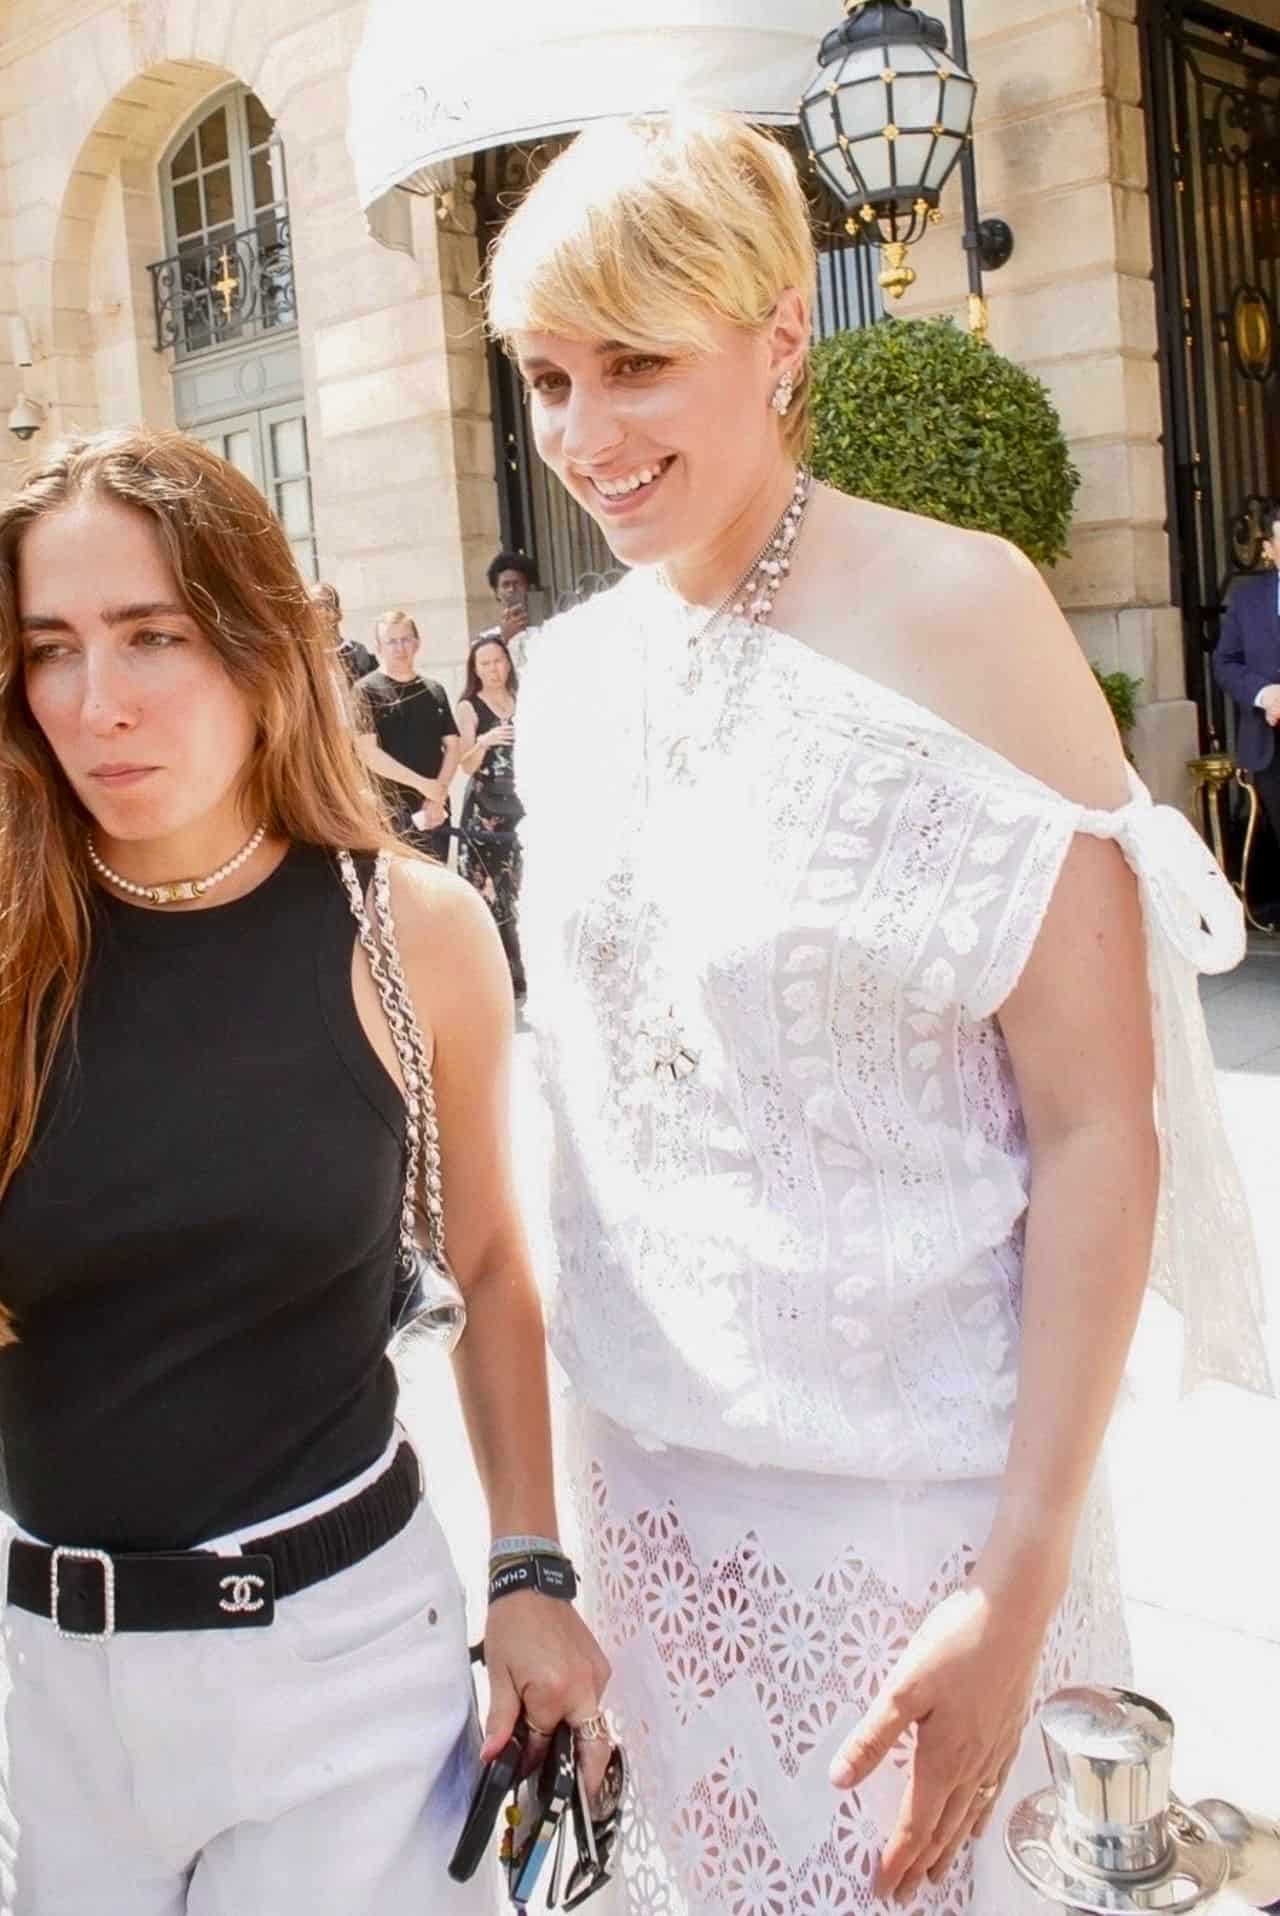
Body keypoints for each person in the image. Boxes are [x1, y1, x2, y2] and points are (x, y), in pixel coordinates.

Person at [486, 113, 1269, 1915]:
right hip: (657, 1517)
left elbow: (1096, 1120)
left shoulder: (961, 607)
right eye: (546, 377)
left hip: (926, 1520)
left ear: (781, 338)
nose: (586, 436)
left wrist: (1017, 1576)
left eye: (637, 364)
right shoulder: (573, 674)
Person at [0, 428, 609, 1915]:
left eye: (155, 636)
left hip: (341, 1676)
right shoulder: (11, 940)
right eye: (51, 648)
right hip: (44, 1701)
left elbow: (489, 1268)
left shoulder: (411, 931)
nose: (102, 703)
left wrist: (530, 1568)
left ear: (261, 639)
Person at [355, 610, 460, 861]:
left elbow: (453, 747)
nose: (400, 647)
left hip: (434, 810)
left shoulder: (434, 690)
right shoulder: (365, 690)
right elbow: (368, 753)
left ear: (417, 642)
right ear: (379, 648)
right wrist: (423, 785)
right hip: (389, 812)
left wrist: (438, 794)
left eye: (406, 639)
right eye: (391, 641)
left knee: (437, 887)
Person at [457, 634, 526, 999]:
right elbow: (465, 764)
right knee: (487, 893)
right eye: (484, 663)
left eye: (498, 661)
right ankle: (501, 976)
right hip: (486, 810)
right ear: (475, 669)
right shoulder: (469, 706)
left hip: (522, 804)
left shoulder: (523, 699)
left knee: (518, 889)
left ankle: (525, 968)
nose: (493, 669)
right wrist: (486, 740)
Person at [1213, 505, 1280, 855]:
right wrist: (1265, 695)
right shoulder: (1246, 600)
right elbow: (1224, 662)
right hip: (1269, 747)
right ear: (1268, 548)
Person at [478, 549, 539, 672]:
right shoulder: (483, 641)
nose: (511, 590)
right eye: (505, 585)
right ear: (496, 593)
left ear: (530, 588)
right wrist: (504, 640)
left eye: (517, 584)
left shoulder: (546, 631)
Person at [311, 579, 376, 684]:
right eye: (313, 605)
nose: (320, 611)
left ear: (338, 613)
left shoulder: (357, 651)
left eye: (325, 604)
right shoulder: (303, 656)